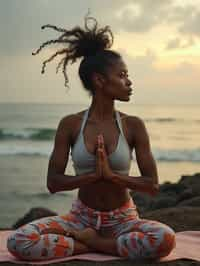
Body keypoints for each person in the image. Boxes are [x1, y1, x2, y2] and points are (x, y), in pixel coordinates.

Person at [7, 15, 176, 261]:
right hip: (80, 219)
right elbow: (53, 183)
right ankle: (101, 245)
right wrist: (91, 176)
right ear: (100, 80)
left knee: (165, 239)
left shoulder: (133, 126)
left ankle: (94, 243)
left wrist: (112, 176)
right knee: (18, 241)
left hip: (123, 219)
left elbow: (152, 185)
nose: (129, 82)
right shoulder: (71, 124)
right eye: (122, 75)